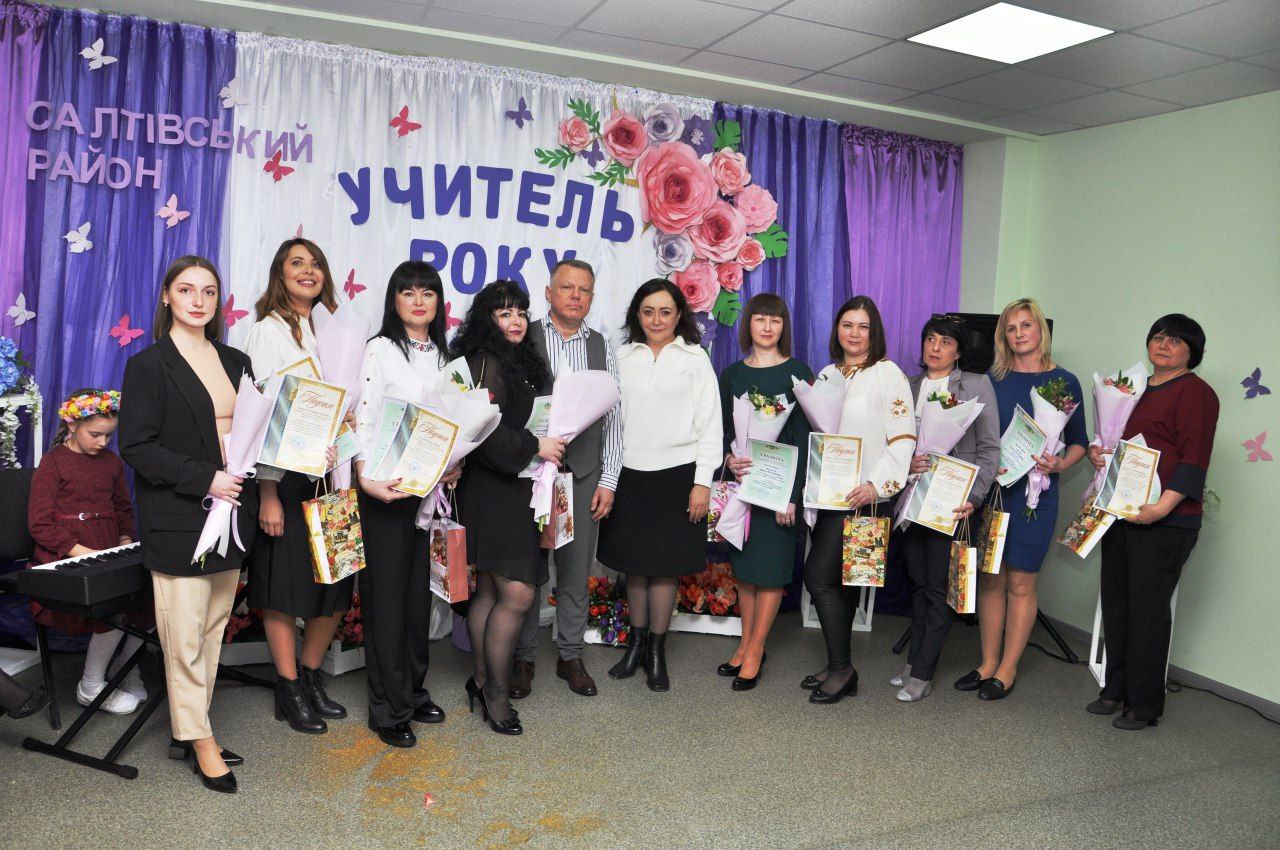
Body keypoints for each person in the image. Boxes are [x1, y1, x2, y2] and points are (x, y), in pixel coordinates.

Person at [119, 255, 256, 793]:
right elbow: (136, 447)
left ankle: (191, 728)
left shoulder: (236, 359)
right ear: (166, 296)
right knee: (183, 636)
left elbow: (253, 431)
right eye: (186, 289)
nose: (198, 300)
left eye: (208, 291)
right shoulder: (149, 365)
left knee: (212, 628)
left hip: (231, 516)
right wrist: (206, 479)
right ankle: (201, 740)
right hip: (180, 517)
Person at [1087, 314, 1218, 730]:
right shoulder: (1137, 387)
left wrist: (1161, 509)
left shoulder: (1196, 393)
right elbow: (1115, 437)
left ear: (1192, 352)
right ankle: (1115, 688)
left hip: (1167, 519)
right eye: (1158, 337)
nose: (1164, 345)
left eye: (1176, 340)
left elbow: (1195, 459)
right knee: (1117, 602)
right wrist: (1098, 451)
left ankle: (1144, 705)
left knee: (1146, 611)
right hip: (1123, 511)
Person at [244, 238, 351, 735]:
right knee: (284, 590)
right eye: (297, 263)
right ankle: (288, 689)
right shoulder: (267, 331)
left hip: (333, 475)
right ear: (280, 274)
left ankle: (310, 677)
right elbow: (262, 413)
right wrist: (267, 491)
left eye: (315, 264)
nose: (308, 271)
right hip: (285, 482)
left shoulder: (332, 329)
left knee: (336, 585)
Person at [955, 298, 1086, 701]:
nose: (1019, 334)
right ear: (1003, 337)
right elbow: (974, 436)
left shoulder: (1065, 381)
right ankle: (987, 663)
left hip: (1035, 497)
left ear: (1040, 329)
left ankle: (1008, 668)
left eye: (1026, 325)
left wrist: (1059, 463)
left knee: (1022, 582)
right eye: (1011, 329)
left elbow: (1079, 442)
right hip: (994, 495)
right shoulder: (992, 380)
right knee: (991, 578)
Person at [597, 279, 722, 692]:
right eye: (648, 311)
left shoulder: (695, 359)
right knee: (634, 566)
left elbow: (711, 426)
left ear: (679, 315)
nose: (656, 320)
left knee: (665, 569)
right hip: (629, 476)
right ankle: (634, 646)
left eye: (665, 312)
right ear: (637, 314)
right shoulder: (620, 357)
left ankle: (656, 652)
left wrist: (702, 483)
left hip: (678, 478)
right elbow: (608, 423)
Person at [451, 280, 564, 735]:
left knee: (490, 592)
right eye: (504, 313)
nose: (515, 321)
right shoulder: (487, 361)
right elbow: (485, 432)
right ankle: (496, 693)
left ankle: (481, 683)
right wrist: (537, 445)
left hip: (517, 488)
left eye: (520, 312)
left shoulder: (521, 360)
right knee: (517, 594)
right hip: (494, 490)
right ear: (487, 319)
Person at [354, 261, 458, 748]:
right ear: (394, 300)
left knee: (418, 601)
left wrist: (455, 464)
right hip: (385, 490)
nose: (418, 301)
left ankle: (413, 692)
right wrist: (365, 478)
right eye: (408, 292)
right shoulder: (379, 349)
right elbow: (365, 415)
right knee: (388, 602)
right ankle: (387, 708)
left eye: (427, 292)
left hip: (428, 493)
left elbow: (453, 423)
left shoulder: (446, 356)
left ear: (439, 302)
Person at [511, 259, 622, 700]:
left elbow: (614, 415)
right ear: (549, 292)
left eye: (584, 290)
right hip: (532, 474)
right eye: (567, 287)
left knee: (575, 570)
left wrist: (609, 479)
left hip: (584, 474)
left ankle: (571, 655)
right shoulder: (525, 336)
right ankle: (523, 658)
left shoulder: (601, 345)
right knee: (529, 571)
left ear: (592, 297)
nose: (576, 296)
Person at [801, 295, 915, 704]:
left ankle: (842, 669)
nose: (854, 333)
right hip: (831, 495)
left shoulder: (888, 375)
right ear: (837, 329)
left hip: (865, 497)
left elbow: (903, 439)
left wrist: (875, 486)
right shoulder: (828, 374)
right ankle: (838, 663)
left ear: (874, 332)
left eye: (863, 326)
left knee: (819, 578)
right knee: (840, 584)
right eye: (847, 324)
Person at [894, 315, 999, 702]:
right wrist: (905, 463)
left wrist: (975, 497)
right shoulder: (908, 386)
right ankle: (912, 662)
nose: (936, 348)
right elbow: (895, 442)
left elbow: (989, 449)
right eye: (930, 339)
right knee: (918, 583)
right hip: (910, 499)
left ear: (958, 351)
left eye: (946, 342)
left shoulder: (975, 385)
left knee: (939, 587)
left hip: (952, 502)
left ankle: (923, 672)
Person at [28, 388, 144, 715]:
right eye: (95, 434)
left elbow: (123, 508)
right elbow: (39, 524)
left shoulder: (112, 463)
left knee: (152, 603)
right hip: (66, 555)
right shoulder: (53, 463)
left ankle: (126, 667)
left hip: (107, 549)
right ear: (72, 425)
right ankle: (91, 685)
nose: (103, 442)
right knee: (111, 609)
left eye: (109, 436)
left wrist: (124, 539)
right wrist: (82, 552)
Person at [717, 294, 812, 691]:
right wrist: (729, 458)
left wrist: (792, 495)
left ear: (784, 326)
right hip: (744, 488)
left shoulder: (798, 373)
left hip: (779, 493)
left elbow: (805, 439)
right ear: (749, 325)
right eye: (760, 319)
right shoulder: (732, 375)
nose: (768, 327)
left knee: (771, 574)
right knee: (745, 572)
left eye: (775, 320)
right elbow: (723, 431)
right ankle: (745, 644)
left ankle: (756, 651)